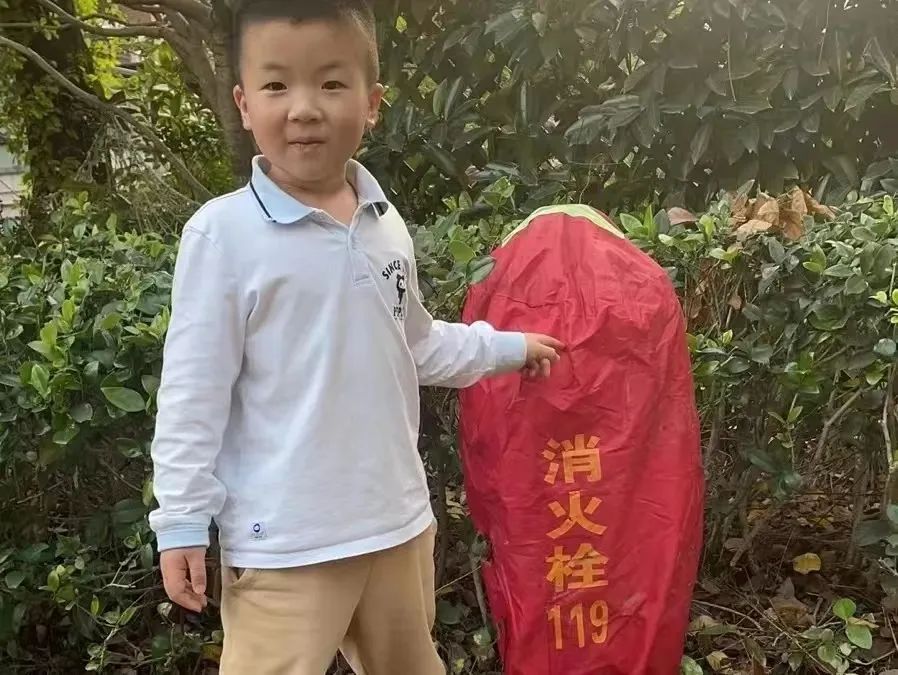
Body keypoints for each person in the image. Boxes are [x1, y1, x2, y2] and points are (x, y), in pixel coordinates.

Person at [148, 1, 563, 673]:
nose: (304, 108)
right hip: (285, 544)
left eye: (331, 83)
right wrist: (181, 520)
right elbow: (192, 393)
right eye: (277, 84)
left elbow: (417, 343)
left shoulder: (383, 222)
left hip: (397, 524)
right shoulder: (222, 235)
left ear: (371, 104)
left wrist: (509, 348)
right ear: (244, 103)